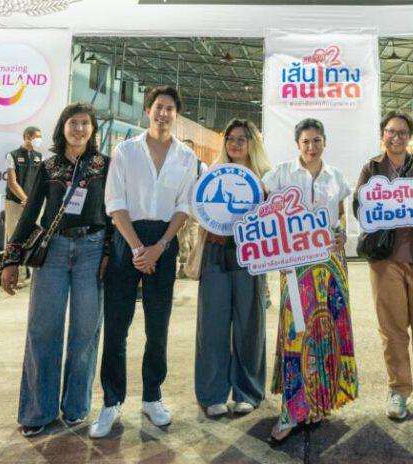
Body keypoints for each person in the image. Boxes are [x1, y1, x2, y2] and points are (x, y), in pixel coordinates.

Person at [89, 85, 197, 438]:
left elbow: (185, 205)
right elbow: (114, 201)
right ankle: (111, 402)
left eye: (170, 108)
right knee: (116, 325)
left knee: (158, 326)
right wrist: (137, 248)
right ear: (147, 110)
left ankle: (152, 397)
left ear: (176, 114)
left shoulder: (186, 157)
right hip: (127, 240)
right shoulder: (126, 150)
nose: (163, 113)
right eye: (158, 107)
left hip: (164, 243)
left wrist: (160, 246)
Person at [0, 103, 110, 437]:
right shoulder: (48, 167)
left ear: (92, 130)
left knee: (85, 333)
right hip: (54, 252)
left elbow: (114, 211)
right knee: (43, 330)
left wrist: (109, 253)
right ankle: (38, 412)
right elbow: (31, 212)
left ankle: (76, 407)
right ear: (63, 127)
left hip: (92, 250)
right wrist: (10, 260)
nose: (79, 129)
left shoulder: (105, 165)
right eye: (73, 123)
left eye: (85, 123)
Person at [262, 118, 357, 444]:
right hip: (296, 266)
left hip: (330, 266)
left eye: (317, 140)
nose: (311, 147)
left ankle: (318, 403)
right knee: (297, 334)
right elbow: (263, 208)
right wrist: (274, 247)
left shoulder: (336, 176)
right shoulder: (281, 174)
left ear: (324, 142)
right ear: (297, 144)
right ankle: (292, 409)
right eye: (306, 141)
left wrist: (341, 234)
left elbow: (339, 214)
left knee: (325, 331)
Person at [353, 111, 413, 422]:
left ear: (409, 137)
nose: (396, 137)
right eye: (391, 132)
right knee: (392, 329)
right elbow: (359, 206)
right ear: (383, 135)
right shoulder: (372, 168)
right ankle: (398, 390)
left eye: (402, 132)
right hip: (386, 262)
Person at [192, 119, 271, 417]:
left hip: (251, 256)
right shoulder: (212, 174)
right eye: (230, 138)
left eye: (242, 139)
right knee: (212, 325)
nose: (235, 144)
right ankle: (212, 394)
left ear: (253, 143)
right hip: (216, 253)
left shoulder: (266, 177)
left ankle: (247, 391)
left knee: (250, 325)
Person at [4, 126, 43, 282]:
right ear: (27, 137)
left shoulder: (39, 156)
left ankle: (32, 275)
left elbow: (39, 182)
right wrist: (25, 199)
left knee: (35, 237)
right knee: (14, 237)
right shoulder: (13, 155)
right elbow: (12, 183)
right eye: (36, 137)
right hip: (15, 203)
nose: (39, 140)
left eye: (40, 137)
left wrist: (31, 201)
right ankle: (15, 276)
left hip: (33, 204)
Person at [176, 139, 206, 279]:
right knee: (181, 237)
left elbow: (205, 188)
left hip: (194, 208)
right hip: (179, 207)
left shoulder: (201, 166)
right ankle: (184, 266)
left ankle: (195, 266)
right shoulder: (175, 165)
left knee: (194, 235)